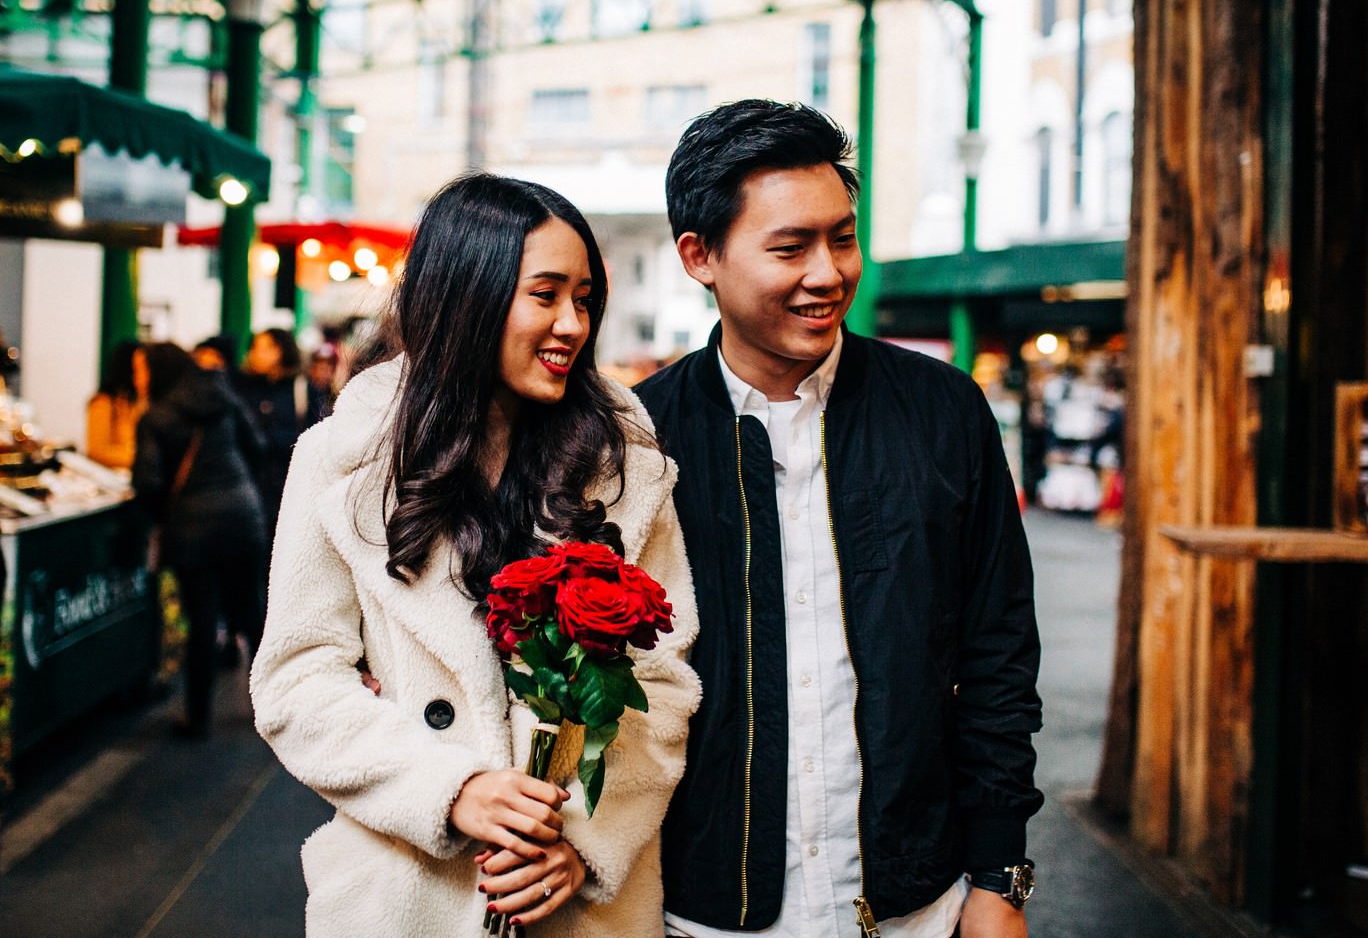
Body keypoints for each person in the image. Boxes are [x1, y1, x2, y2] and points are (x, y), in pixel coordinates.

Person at [249, 174, 700, 938]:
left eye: (585, 299)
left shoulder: (626, 469)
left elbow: (660, 683)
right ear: (467, 295)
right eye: (545, 295)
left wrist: (582, 844)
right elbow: (296, 679)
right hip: (407, 895)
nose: (572, 324)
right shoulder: (344, 462)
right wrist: (450, 789)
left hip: (576, 903)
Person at [635, 100, 1044, 938]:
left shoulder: (944, 412)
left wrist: (1001, 878)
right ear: (700, 255)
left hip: (916, 904)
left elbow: (998, 653)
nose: (827, 273)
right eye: (790, 248)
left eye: (843, 239)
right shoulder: (635, 438)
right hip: (706, 911)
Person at [132, 342, 267, 736]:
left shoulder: (156, 417)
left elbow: (148, 482)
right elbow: (256, 447)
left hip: (192, 528)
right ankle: (271, 707)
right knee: (251, 613)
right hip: (243, 518)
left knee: (202, 620)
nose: (139, 379)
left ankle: (197, 716)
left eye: (142, 370)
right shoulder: (224, 397)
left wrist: (165, 512)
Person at [239, 326, 313, 533]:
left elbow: (313, 436)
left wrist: (269, 439)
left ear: (283, 350)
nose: (258, 354)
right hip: (251, 488)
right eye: (255, 347)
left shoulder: (302, 390)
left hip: (289, 488)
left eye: (267, 348)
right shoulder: (243, 388)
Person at [86, 339, 144, 469]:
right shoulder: (103, 402)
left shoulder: (139, 401)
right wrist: (140, 459)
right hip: (110, 475)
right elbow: (97, 451)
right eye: (140, 366)